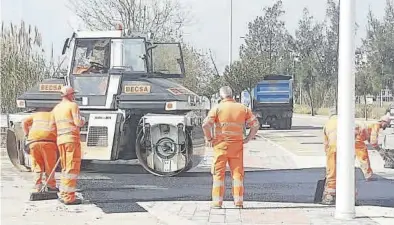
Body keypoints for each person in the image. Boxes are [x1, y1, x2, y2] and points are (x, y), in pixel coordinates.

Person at [202, 86, 260, 209]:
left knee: (218, 174)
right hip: (237, 146)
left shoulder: (217, 108)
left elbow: (206, 125)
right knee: (237, 174)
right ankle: (238, 202)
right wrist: (248, 138)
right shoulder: (242, 108)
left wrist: (209, 139)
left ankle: (217, 202)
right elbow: (255, 125)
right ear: (232, 95)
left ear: (220, 96)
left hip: (220, 146)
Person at [52, 86, 85, 205]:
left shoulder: (56, 108)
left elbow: (53, 126)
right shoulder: (73, 106)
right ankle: (69, 197)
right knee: (72, 168)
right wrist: (83, 120)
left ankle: (63, 193)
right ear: (70, 95)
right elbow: (77, 122)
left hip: (61, 140)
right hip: (71, 140)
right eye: (73, 94)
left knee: (66, 168)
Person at [22, 108, 58, 193]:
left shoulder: (35, 115)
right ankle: (51, 186)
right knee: (50, 165)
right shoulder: (54, 116)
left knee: (37, 164)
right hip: (49, 142)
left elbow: (24, 122)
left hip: (33, 142)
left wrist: (27, 134)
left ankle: (37, 186)